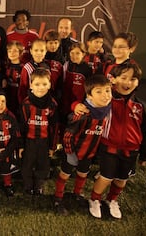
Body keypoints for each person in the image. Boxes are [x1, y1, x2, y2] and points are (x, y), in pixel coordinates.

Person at [87, 62, 146, 219]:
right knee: (106, 176)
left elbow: (145, 131)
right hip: (109, 148)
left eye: (133, 79)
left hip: (131, 151)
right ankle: (94, 200)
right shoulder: (107, 100)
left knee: (122, 178)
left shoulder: (140, 105)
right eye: (124, 78)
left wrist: (145, 154)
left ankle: (112, 200)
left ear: (138, 82)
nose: (128, 82)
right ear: (113, 80)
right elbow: (89, 109)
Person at [53, 74, 112, 215]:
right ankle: (58, 197)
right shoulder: (82, 114)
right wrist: (70, 153)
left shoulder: (107, 110)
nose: (105, 95)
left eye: (108, 91)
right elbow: (68, 136)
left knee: (83, 174)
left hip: (89, 153)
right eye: (99, 91)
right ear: (89, 96)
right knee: (65, 174)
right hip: (73, 153)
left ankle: (77, 194)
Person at [20, 68, 59, 195]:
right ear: (31, 85)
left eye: (44, 84)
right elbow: (21, 126)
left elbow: (54, 127)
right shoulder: (26, 103)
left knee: (43, 165)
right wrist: (20, 145)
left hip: (44, 141)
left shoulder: (52, 104)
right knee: (27, 164)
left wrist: (52, 146)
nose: (41, 87)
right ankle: (28, 184)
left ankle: (39, 184)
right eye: (37, 84)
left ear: (49, 85)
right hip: (29, 141)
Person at [17, 39, 50, 103]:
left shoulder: (47, 66)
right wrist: (22, 103)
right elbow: (22, 88)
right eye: (36, 50)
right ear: (31, 51)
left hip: (45, 101)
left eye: (42, 50)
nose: (39, 53)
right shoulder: (27, 67)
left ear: (46, 51)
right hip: (31, 102)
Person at [5, 41, 24, 118]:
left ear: (20, 52)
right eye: (10, 51)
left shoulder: (23, 67)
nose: (12, 53)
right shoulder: (6, 66)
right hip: (8, 96)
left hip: (19, 97)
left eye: (15, 51)